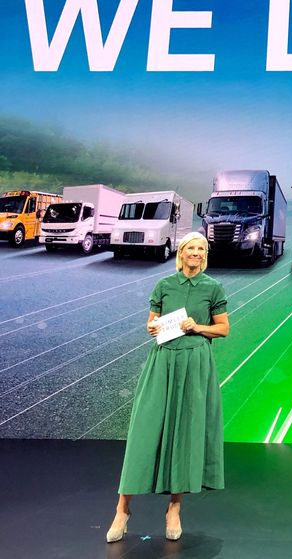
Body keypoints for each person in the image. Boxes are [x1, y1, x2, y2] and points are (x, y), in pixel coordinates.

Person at [106, 232, 229, 543]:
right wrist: (151, 326)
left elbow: (224, 328)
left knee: (184, 433)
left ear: (205, 255)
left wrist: (198, 326)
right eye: (191, 248)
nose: (196, 253)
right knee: (144, 432)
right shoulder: (164, 285)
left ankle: (174, 508)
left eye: (202, 249)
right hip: (163, 361)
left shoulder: (213, 287)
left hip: (195, 363)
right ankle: (122, 509)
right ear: (182, 252)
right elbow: (153, 323)